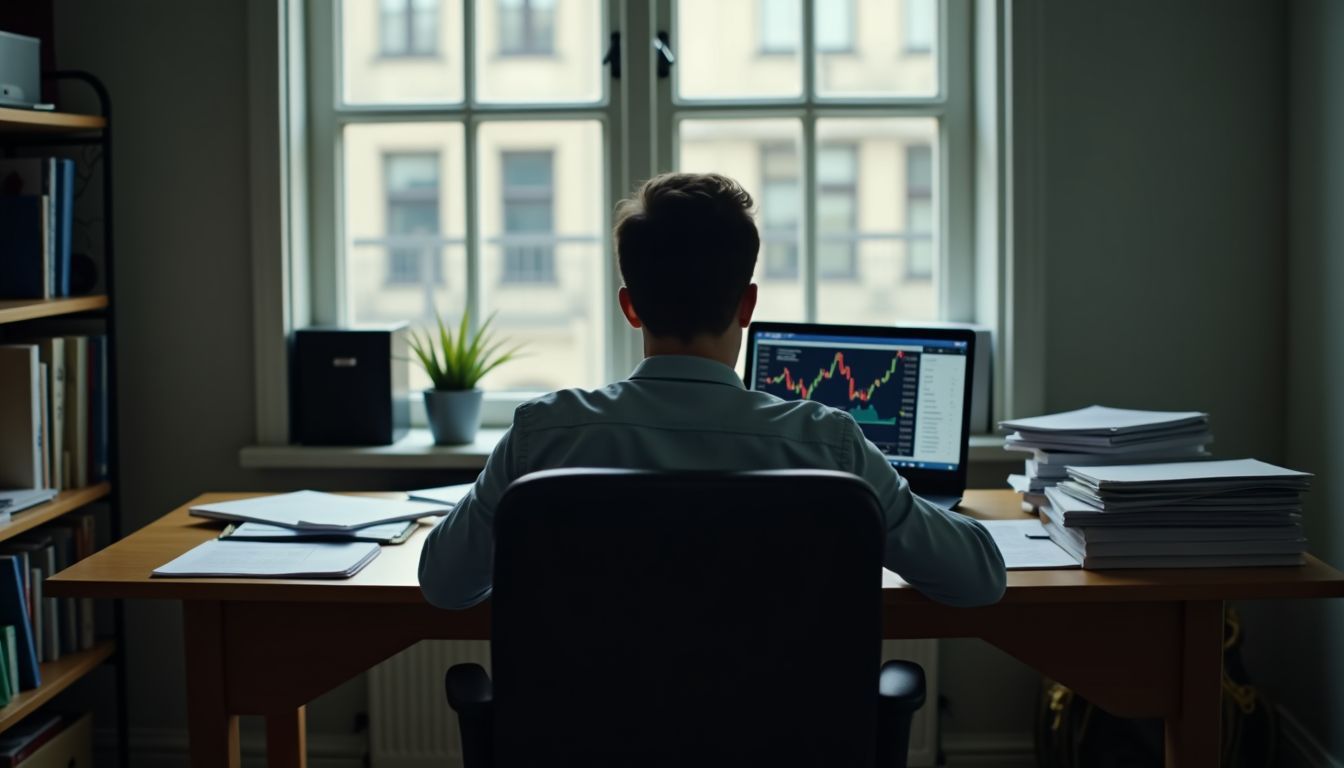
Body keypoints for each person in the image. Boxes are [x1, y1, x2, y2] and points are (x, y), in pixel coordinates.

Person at [418, 172, 1006, 609]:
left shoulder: (542, 437)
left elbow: (445, 585)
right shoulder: (830, 448)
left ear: (629, 306)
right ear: (747, 305)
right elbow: (978, 580)